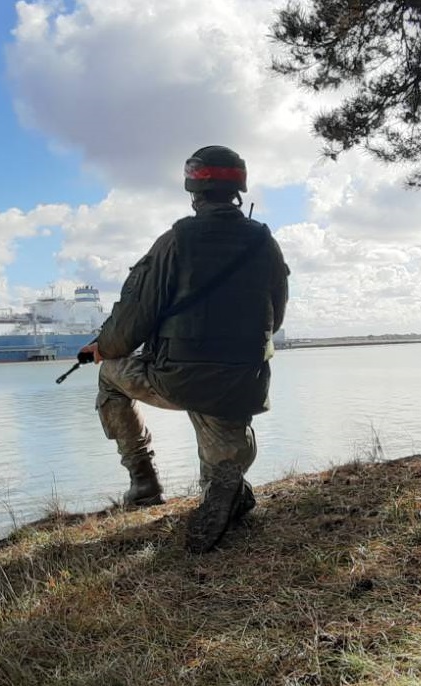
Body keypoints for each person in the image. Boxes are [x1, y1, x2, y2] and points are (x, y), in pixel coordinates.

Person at [81, 145, 290, 553]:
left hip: (179, 376)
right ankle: (226, 485)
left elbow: (130, 323)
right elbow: (276, 318)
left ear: (193, 189)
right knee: (221, 451)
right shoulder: (265, 243)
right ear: (239, 189)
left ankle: (144, 486)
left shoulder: (175, 241)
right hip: (243, 381)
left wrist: (102, 348)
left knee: (112, 377)